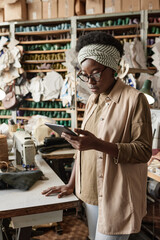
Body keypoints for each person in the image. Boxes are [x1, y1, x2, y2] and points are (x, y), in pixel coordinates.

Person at [42, 31, 152, 240]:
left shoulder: (134, 100)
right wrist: (71, 184)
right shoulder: (93, 100)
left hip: (116, 196)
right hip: (91, 194)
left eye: (96, 73)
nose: (89, 81)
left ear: (113, 68)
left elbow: (144, 150)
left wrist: (98, 144)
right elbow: (81, 150)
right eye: (84, 74)